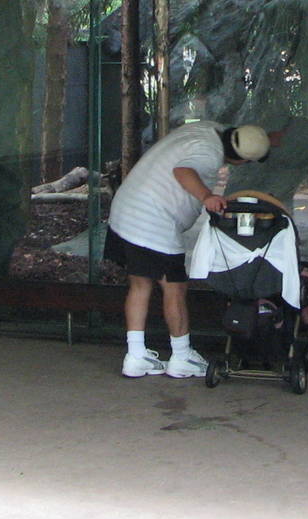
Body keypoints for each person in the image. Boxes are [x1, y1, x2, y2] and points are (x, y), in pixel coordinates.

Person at [104, 121, 272, 377]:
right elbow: (183, 171)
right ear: (240, 161)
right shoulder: (209, 153)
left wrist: (268, 138)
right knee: (175, 287)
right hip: (153, 219)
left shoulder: (209, 128)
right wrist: (207, 197)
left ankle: (136, 355)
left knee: (140, 284)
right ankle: (182, 356)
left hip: (126, 210)